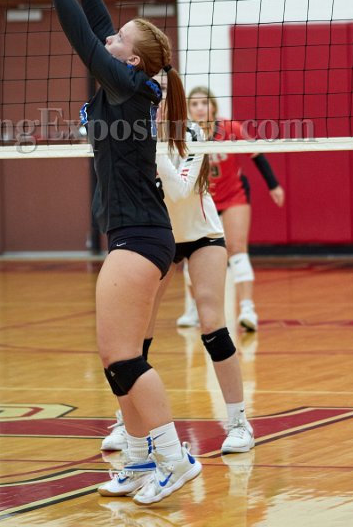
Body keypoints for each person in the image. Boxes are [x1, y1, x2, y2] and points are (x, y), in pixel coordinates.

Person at [44, 0, 201, 506]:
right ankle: (137, 463)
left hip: (140, 237)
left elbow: (85, 37)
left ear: (130, 59)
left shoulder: (129, 87)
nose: (108, 37)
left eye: (118, 40)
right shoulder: (129, 82)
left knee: (126, 358)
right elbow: (100, 30)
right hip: (134, 234)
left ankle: (174, 459)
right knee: (117, 359)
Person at [102, 87, 254, 457]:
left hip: (202, 235)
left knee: (212, 323)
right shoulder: (131, 134)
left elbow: (182, 189)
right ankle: (128, 423)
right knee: (135, 336)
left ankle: (238, 423)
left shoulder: (192, 134)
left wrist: (153, 147)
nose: (156, 103)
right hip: (158, 238)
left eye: (163, 97)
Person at [178, 87, 285, 332]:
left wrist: (273, 185)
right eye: (194, 104)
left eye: (204, 103)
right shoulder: (185, 134)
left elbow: (256, 154)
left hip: (233, 195)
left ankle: (247, 310)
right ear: (189, 109)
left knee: (237, 250)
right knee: (191, 253)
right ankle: (193, 308)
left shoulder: (230, 128)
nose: (200, 108)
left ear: (213, 106)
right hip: (202, 199)